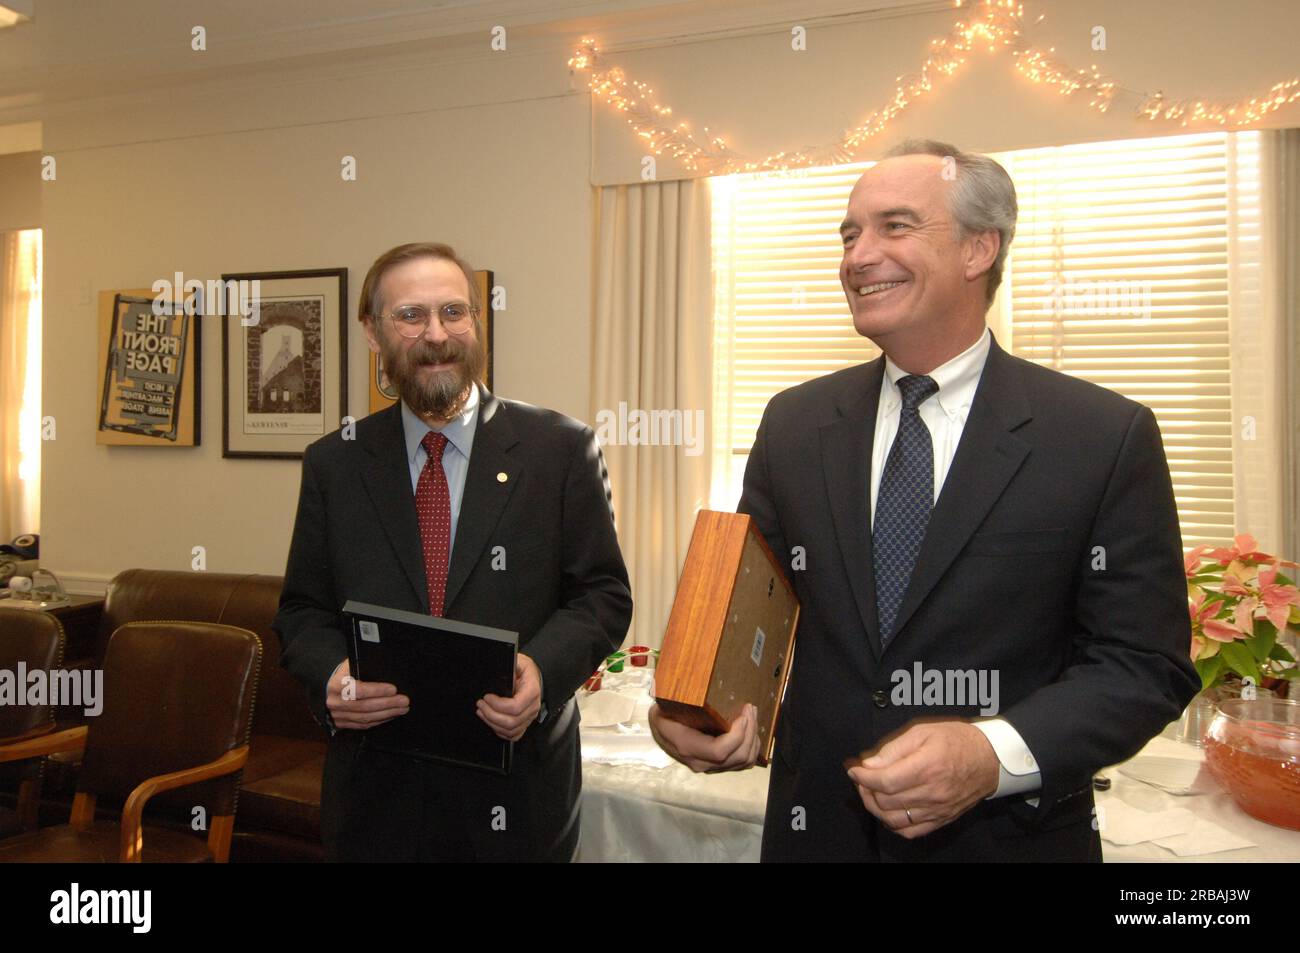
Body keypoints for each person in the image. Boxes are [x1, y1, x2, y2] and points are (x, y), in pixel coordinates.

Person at [650, 140, 1200, 861]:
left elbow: (1143, 665)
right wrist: (689, 710)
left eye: (894, 226)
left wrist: (990, 752)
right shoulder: (794, 423)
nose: (857, 255)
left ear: (979, 248)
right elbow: (750, 608)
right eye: (849, 234)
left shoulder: (1102, 435)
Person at [274, 242, 632, 862]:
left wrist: (542, 674)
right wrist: (333, 677)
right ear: (371, 331)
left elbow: (602, 596)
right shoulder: (335, 463)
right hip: (376, 799)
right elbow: (303, 611)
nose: (436, 335)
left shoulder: (560, 450)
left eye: (453, 313)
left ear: (477, 322)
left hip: (518, 793)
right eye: (410, 316)